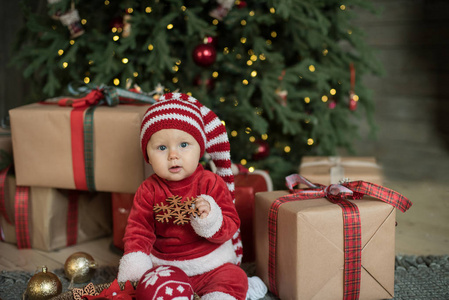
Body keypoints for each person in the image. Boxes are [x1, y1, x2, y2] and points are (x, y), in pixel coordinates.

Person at [117, 93, 266, 300]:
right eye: (161, 148)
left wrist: (210, 218)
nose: (173, 155)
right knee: (151, 289)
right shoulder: (148, 190)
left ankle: (219, 295)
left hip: (211, 264)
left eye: (184, 145)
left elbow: (231, 224)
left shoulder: (210, 182)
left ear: (200, 148)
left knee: (233, 277)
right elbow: (138, 231)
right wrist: (135, 267)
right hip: (167, 269)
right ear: (147, 155)